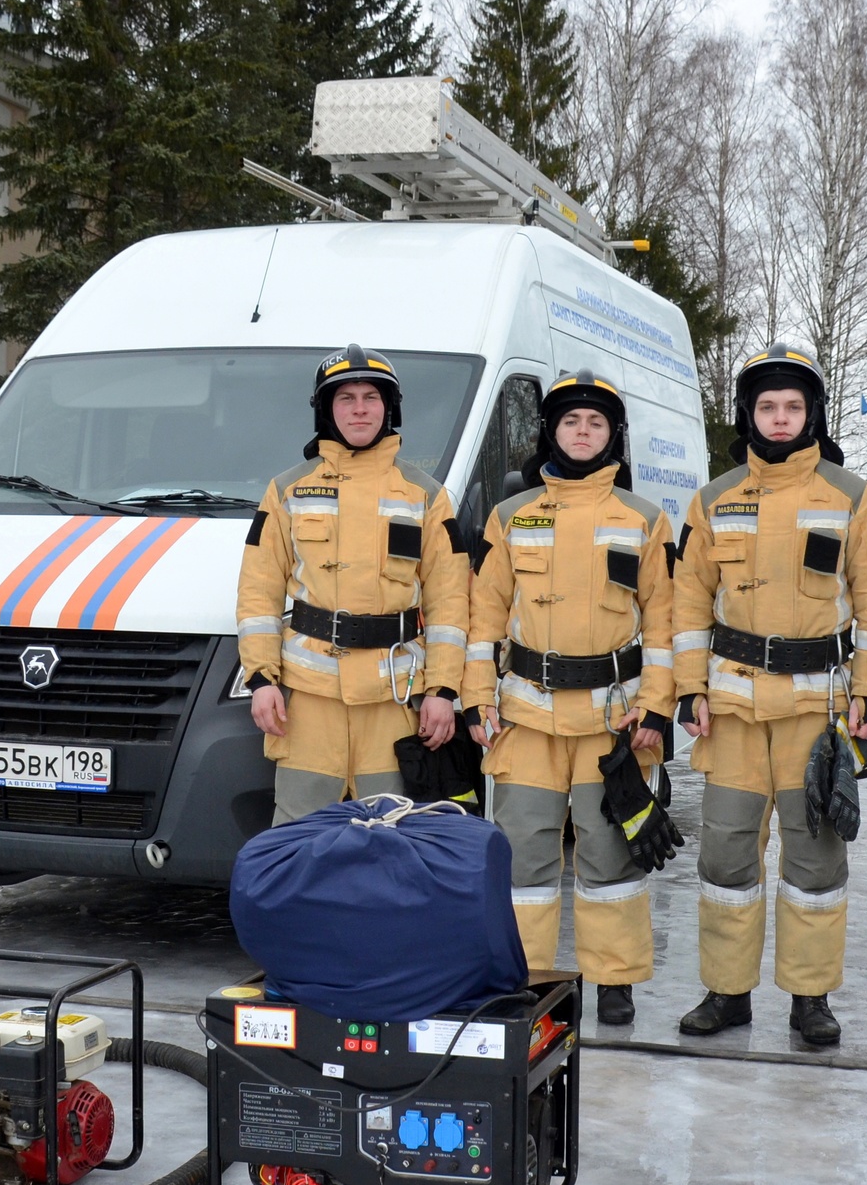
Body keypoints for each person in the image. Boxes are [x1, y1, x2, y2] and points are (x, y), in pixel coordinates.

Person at [673, 343, 867, 1047]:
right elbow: (685, 605)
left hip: (817, 712)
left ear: (813, 414)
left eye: (792, 406)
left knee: (814, 859)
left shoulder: (854, 499)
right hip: (732, 709)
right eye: (766, 406)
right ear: (748, 413)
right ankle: (726, 991)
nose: (778, 417)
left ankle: (810, 998)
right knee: (726, 857)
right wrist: (687, 688)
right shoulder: (712, 500)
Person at [466, 372, 677, 1025]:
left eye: (595, 423)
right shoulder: (511, 516)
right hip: (526, 716)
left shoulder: (644, 519)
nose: (582, 432)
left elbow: (668, 624)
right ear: (550, 432)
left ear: (613, 435)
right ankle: (523, 977)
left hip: (611, 723)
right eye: (570, 421)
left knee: (608, 854)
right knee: (523, 855)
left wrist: (659, 708)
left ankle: (614, 980)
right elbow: (484, 618)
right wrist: (478, 697)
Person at [237, 346, 468, 824]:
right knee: (300, 841)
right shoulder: (287, 491)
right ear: (327, 410)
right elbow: (258, 593)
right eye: (345, 398)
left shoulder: (427, 495)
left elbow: (450, 604)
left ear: (389, 408)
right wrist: (262, 679)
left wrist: (443, 690)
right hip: (307, 704)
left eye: (370, 397)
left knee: (391, 839)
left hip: (394, 701)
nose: (359, 408)